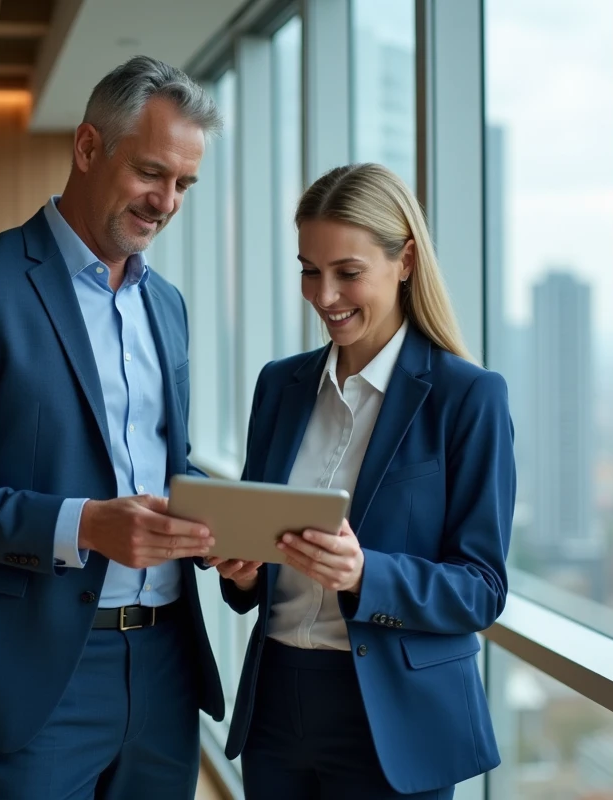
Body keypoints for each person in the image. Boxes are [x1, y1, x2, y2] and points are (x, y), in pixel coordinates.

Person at [0, 56, 226, 800]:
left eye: (184, 184)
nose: (166, 202)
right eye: (151, 172)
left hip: (166, 666)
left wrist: (224, 528)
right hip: (33, 672)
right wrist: (86, 526)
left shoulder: (167, 304)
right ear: (87, 147)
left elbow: (161, 463)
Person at [211, 163, 516, 799]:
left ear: (405, 260)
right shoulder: (280, 385)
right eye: (309, 271)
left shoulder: (468, 397)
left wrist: (362, 573)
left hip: (393, 719)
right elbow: (257, 560)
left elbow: (482, 589)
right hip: (276, 706)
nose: (325, 296)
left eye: (347, 273)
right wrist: (243, 572)